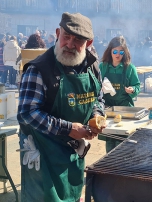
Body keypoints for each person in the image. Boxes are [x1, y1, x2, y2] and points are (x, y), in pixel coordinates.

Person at [17, 12, 106, 202]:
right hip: (43, 153)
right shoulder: (39, 69)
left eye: (78, 40)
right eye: (67, 37)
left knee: (72, 195)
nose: (70, 45)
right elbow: (27, 112)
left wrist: (97, 115)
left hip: (73, 152)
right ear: (58, 33)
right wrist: (68, 128)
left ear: (88, 44)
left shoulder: (93, 67)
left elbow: (97, 97)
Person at [99, 35, 140, 152]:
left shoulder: (129, 68)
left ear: (125, 52)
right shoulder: (103, 66)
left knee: (125, 142)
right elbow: (95, 85)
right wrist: (99, 88)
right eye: (115, 51)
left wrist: (132, 90)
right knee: (110, 140)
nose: (118, 54)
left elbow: (137, 85)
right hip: (108, 108)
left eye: (121, 52)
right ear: (110, 51)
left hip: (125, 109)